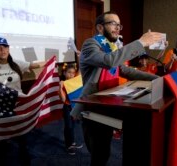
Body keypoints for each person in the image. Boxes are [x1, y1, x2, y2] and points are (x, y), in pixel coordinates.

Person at [70, 11, 165, 166]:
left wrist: (160, 79)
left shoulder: (112, 47)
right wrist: (140, 43)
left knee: (105, 151)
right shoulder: (90, 44)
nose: (117, 28)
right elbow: (108, 61)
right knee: (99, 155)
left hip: (109, 104)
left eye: (119, 24)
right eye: (113, 23)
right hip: (93, 107)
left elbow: (126, 71)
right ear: (100, 28)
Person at [0, 37, 46, 166]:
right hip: (0, 109)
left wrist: (50, 61)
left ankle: (25, 161)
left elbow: (33, 65)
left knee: (22, 140)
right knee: (1, 142)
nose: (2, 49)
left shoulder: (16, 63)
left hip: (18, 106)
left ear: (9, 48)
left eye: (5, 46)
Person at [59, 63, 83, 155]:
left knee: (72, 126)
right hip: (67, 107)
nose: (71, 75)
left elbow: (80, 71)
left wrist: (80, 58)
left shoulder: (75, 81)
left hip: (75, 106)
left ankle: (72, 142)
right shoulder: (64, 83)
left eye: (73, 73)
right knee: (68, 126)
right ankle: (68, 145)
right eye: (69, 72)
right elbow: (63, 99)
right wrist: (60, 87)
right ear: (64, 73)